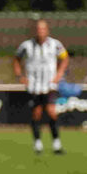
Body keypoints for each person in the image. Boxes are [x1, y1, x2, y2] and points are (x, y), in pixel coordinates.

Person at [13, 19, 69, 155]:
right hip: (34, 86)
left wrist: (60, 74)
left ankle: (56, 144)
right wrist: (20, 76)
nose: (41, 31)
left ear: (47, 30)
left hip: (50, 85)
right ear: (35, 31)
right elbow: (16, 59)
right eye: (38, 29)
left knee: (51, 112)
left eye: (43, 29)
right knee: (36, 114)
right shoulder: (26, 46)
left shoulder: (55, 44)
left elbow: (65, 58)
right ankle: (37, 144)